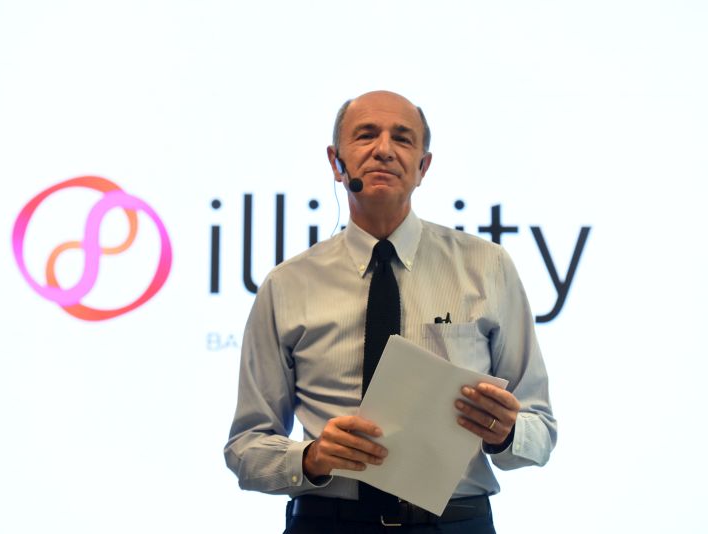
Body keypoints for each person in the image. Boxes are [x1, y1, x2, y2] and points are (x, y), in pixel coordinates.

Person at [225, 90, 556, 533]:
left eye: (402, 138)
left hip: (455, 523)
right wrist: (311, 458)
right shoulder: (286, 284)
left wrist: (508, 433)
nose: (384, 149)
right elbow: (245, 449)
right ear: (336, 162)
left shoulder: (488, 267)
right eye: (366, 135)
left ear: (423, 167)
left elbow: (541, 432)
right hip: (328, 523)